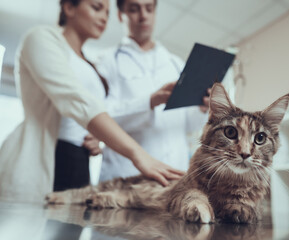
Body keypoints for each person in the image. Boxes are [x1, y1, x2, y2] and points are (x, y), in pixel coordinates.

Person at [0, 0, 183, 203]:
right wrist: (137, 153)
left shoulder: (90, 64)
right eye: (96, 8)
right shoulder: (41, 38)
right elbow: (76, 100)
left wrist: (97, 136)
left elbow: (102, 111)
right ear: (69, 7)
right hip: (45, 156)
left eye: (107, 12)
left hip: (79, 162)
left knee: (70, 231)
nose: (104, 17)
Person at [96, 0, 209, 182]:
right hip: (126, 175)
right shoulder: (106, 61)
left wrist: (202, 108)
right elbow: (100, 118)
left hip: (174, 173)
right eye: (134, 9)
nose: (143, 16)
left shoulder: (176, 64)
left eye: (149, 9)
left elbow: (189, 125)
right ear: (120, 14)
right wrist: (150, 101)